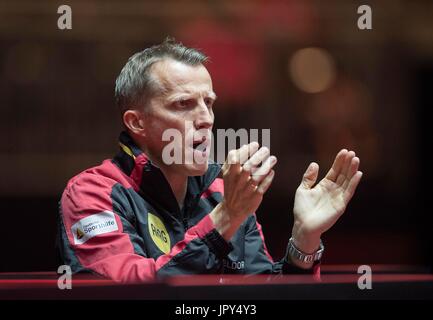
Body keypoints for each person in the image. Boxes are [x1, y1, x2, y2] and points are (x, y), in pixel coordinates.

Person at [57, 38, 362, 283]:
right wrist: (226, 218)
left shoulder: (222, 190)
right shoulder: (91, 192)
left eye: (209, 103)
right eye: (184, 104)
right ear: (137, 123)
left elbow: (260, 295)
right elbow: (125, 293)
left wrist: (304, 241)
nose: (205, 118)